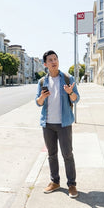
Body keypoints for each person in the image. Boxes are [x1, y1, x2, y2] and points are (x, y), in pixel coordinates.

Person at [35, 50, 80, 198]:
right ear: (45, 64)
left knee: (67, 154)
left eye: (55, 59)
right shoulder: (42, 82)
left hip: (64, 123)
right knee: (51, 155)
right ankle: (55, 181)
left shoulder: (68, 78)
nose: (54, 61)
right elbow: (38, 103)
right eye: (50, 60)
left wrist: (69, 92)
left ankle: (72, 185)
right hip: (47, 124)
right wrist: (42, 97)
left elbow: (76, 99)